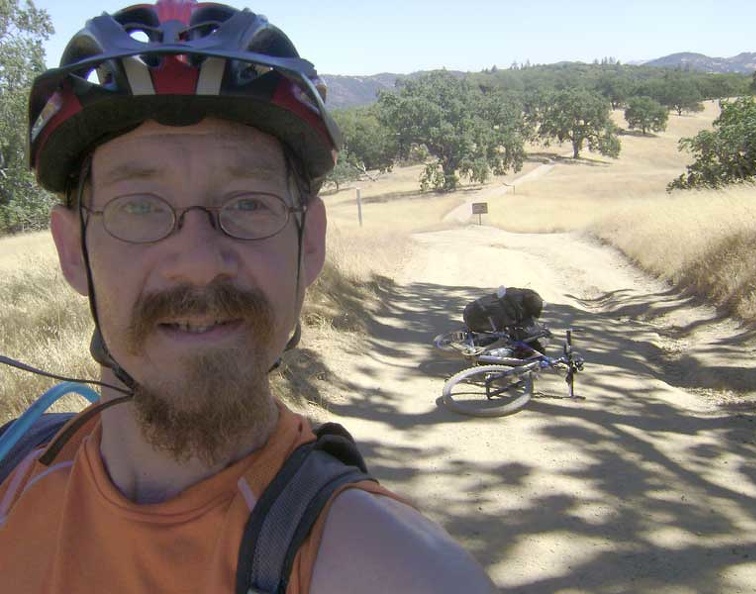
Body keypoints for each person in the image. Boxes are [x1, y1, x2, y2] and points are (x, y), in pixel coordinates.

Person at [0, 1, 497, 592]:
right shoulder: (14, 478)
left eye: (248, 203)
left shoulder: (398, 570)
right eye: (138, 207)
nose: (199, 263)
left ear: (309, 243)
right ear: (72, 251)